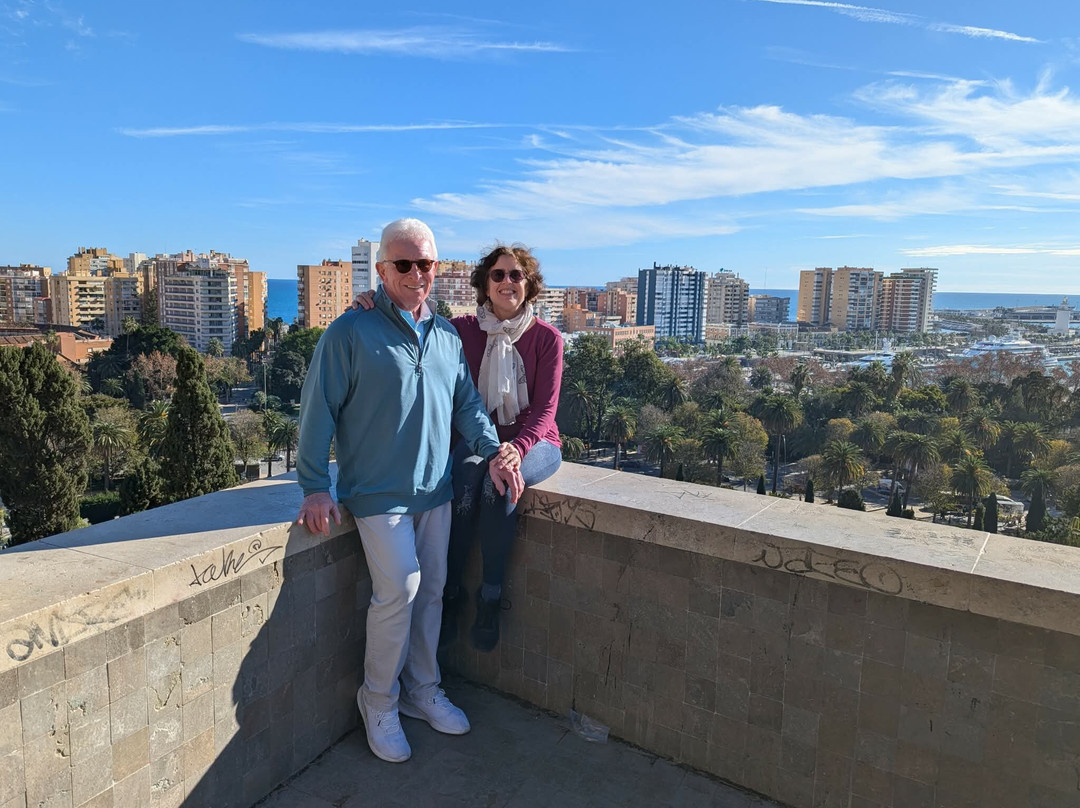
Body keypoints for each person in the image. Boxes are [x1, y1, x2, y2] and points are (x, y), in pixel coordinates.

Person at [296, 218, 524, 765]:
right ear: (381, 270)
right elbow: (318, 408)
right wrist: (312, 486)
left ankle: (423, 690)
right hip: (377, 494)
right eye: (404, 264)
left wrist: (495, 451)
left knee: (433, 591)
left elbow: (467, 405)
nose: (418, 274)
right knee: (400, 588)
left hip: (435, 492)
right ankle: (378, 700)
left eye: (426, 263)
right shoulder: (349, 332)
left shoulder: (445, 334)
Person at [355, 243, 562, 653]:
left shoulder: (547, 338)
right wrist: (370, 303)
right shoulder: (461, 330)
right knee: (465, 478)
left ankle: (489, 596)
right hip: (480, 440)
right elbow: (411, 312)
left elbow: (546, 410)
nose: (507, 282)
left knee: (498, 486)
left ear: (529, 285)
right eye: (498, 275)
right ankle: (450, 594)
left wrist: (515, 450)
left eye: (516, 275)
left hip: (536, 442)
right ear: (485, 284)